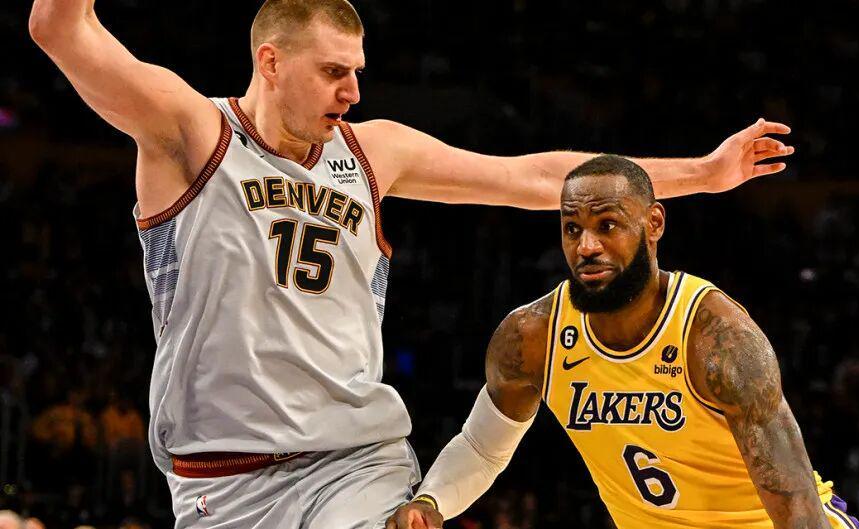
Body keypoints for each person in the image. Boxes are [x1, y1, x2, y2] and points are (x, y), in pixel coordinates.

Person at [28, 1, 794, 527]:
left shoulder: (373, 151)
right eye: (334, 71)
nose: (353, 90)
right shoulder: (192, 131)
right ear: (271, 61)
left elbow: (532, 176)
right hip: (220, 477)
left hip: (351, 463)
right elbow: (60, 28)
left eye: (357, 70)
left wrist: (704, 172)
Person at [388, 156, 859, 529]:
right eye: (572, 228)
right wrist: (432, 501)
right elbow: (481, 448)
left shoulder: (716, 337)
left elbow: (797, 504)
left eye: (607, 225)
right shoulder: (532, 337)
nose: (586, 246)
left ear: (654, 224)